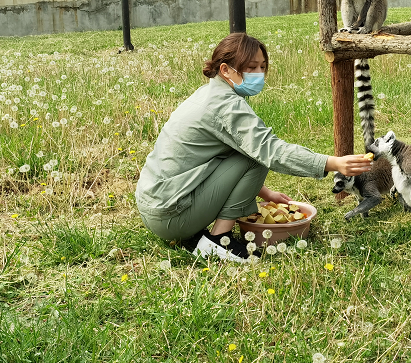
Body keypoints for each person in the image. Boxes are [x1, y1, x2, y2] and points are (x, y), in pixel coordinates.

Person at [135, 32, 371, 263]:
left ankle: (211, 232)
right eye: (250, 68)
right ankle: (218, 240)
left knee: (250, 151)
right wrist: (332, 163)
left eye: (262, 67)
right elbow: (270, 150)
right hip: (172, 216)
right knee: (256, 156)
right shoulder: (226, 106)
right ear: (225, 69)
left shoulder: (207, 93)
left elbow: (219, 155)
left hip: (154, 206)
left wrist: (265, 193)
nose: (259, 74)